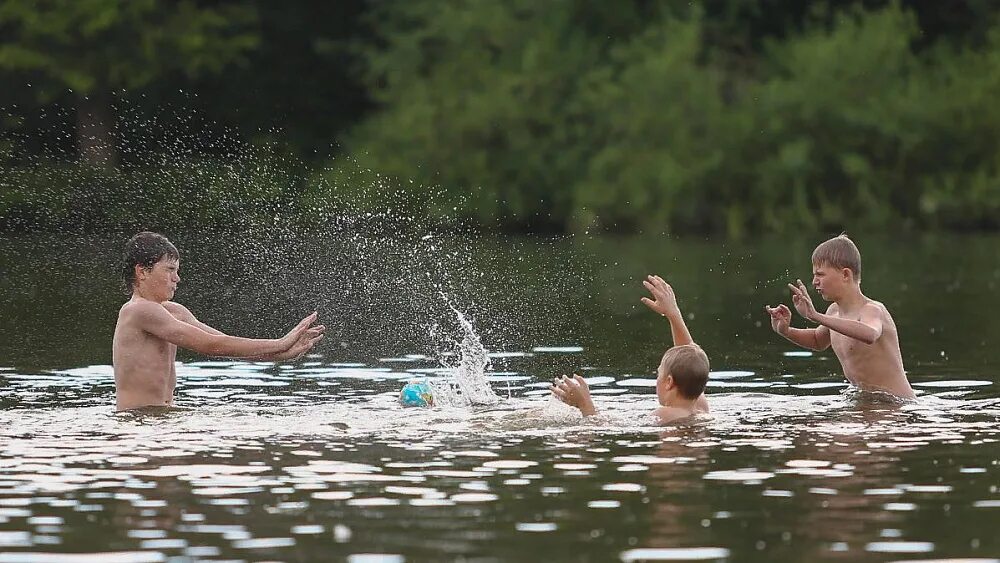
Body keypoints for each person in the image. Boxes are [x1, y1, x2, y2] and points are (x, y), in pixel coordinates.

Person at [112, 232, 325, 411]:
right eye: (169, 270)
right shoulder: (138, 310)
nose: (177, 278)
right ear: (142, 271)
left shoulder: (174, 311)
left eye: (177, 271)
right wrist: (280, 342)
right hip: (137, 421)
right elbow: (211, 346)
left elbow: (222, 342)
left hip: (161, 419)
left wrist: (279, 355)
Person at [765, 234, 915, 400]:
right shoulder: (833, 312)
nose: (814, 282)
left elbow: (870, 334)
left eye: (820, 275)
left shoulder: (872, 310)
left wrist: (816, 316)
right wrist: (786, 331)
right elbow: (817, 340)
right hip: (866, 401)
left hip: (895, 405)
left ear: (845, 275)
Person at [551, 275, 710, 424]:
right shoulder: (700, 407)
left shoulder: (664, 414)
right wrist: (673, 314)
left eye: (659, 373)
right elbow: (689, 357)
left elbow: (603, 427)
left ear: (668, 382)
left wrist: (585, 404)